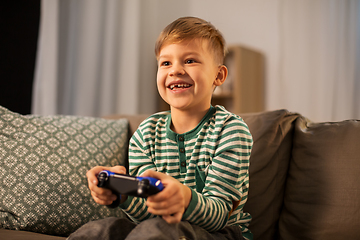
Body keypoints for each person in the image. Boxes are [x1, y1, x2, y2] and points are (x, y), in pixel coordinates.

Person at [69, 16, 253, 240]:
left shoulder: (231, 130)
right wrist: (123, 194)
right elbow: (145, 215)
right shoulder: (145, 134)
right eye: (166, 63)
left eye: (190, 60)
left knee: (157, 231)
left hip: (221, 234)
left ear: (219, 75)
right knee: (101, 229)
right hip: (160, 229)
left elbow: (219, 216)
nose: (175, 70)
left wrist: (185, 198)